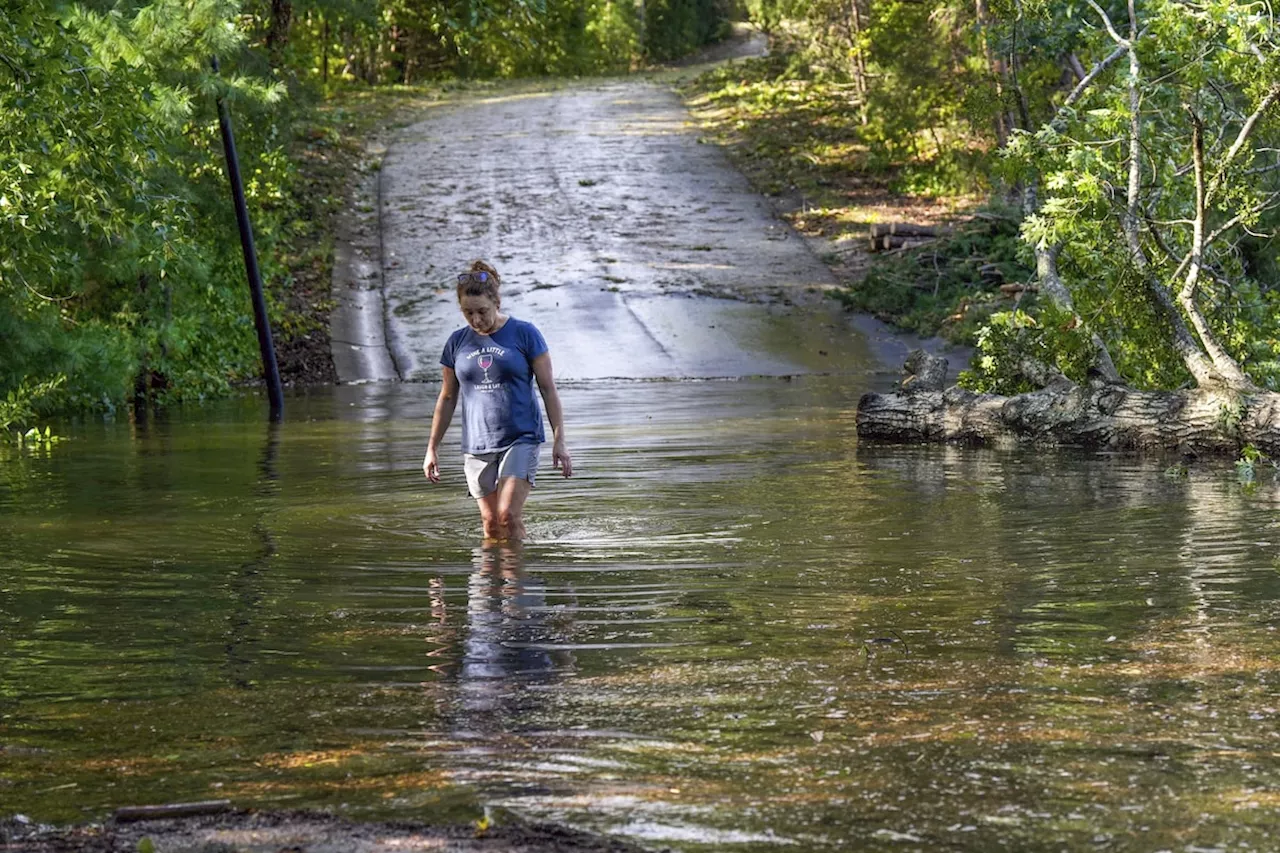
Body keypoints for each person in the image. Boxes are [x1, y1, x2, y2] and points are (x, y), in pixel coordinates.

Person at [423, 260, 572, 540]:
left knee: (507, 515)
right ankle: (490, 582)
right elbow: (447, 397)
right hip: (477, 443)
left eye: (482, 311)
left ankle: (517, 583)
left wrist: (559, 441)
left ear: (497, 302)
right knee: (491, 523)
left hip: (521, 437)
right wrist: (432, 448)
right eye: (468, 313)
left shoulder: (525, 333)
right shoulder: (456, 342)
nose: (476, 320)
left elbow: (548, 389)